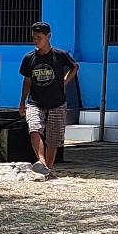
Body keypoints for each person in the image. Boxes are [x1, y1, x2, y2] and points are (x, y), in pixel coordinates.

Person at [17, 21, 78, 177]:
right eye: (34, 38)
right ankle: (41, 161)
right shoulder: (29, 58)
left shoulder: (60, 55)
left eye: (39, 37)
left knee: (53, 139)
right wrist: (22, 102)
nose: (36, 41)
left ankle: (47, 170)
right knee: (34, 128)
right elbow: (27, 81)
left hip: (57, 102)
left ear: (48, 37)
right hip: (35, 102)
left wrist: (65, 81)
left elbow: (74, 67)